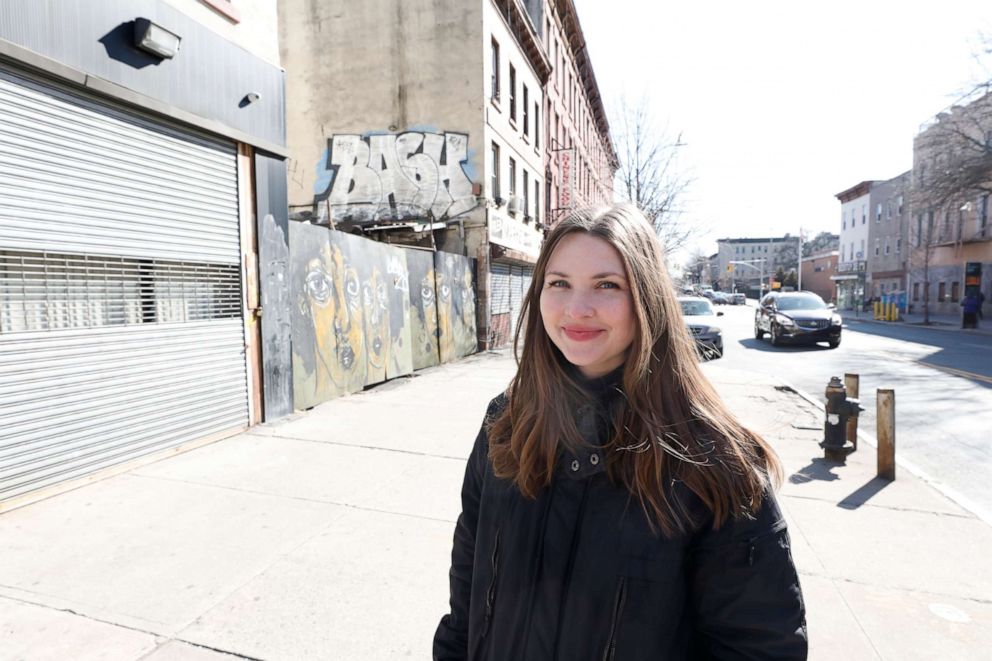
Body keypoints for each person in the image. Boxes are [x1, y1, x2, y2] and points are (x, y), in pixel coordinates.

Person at [434, 205, 807, 660]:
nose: (577, 308)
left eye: (607, 285)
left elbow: (759, 646)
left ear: (647, 299)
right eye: (559, 283)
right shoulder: (506, 423)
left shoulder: (711, 460)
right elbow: (468, 581)